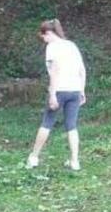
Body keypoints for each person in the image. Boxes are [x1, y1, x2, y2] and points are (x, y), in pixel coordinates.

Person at [27, 19, 87, 171]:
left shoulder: (52, 47)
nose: (43, 39)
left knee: (47, 123)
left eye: (43, 36)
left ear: (48, 33)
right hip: (75, 90)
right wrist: (82, 91)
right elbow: (82, 70)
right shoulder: (71, 45)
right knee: (72, 126)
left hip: (59, 90)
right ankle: (75, 161)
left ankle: (34, 157)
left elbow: (55, 72)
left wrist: (52, 94)